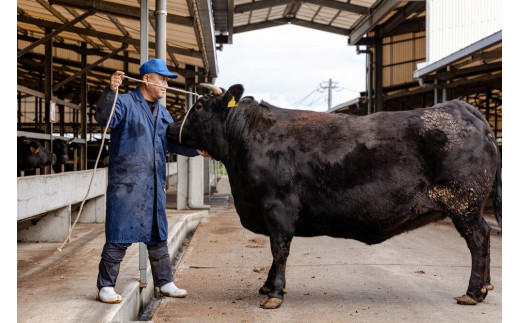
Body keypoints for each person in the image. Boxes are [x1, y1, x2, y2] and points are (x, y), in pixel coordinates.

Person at [94, 58, 210, 304]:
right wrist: (110, 91)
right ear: (146, 79)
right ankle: (105, 286)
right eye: (162, 79)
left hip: (154, 184)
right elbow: (106, 119)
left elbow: (172, 141)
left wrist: (197, 149)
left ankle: (165, 282)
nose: (166, 85)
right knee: (119, 236)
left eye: (167, 81)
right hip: (127, 184)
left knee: (158, 237)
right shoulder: (124, 102)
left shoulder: (163, 112)